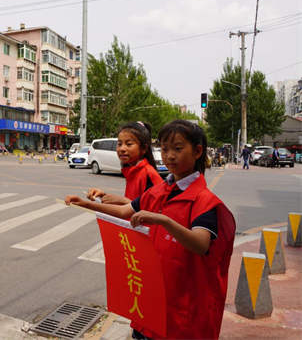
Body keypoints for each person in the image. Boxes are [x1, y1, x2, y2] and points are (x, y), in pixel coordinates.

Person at [65, 120, 235, 340]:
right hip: (152, 295)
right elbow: (127, 210)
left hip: (183, 307)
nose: (169, 155)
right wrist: (86, 204)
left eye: (178, 148)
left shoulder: (205, 202)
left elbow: (201, 245)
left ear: (197, 151)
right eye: (164, 149)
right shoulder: (160, 191)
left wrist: (164, 221)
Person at [87, 121, 162, 205]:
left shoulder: (149, 174)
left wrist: (125, 202)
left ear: (144, 148)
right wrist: (104, 197)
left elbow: (155, 211)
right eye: (119, 144)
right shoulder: (133, 171)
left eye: (129, 144)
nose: (122, 148)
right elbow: (131, 206)